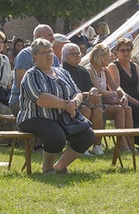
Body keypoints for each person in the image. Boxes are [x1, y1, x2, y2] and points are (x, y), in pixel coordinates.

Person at [16, 38, 95, 174]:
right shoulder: (31, 75)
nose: (48, 55)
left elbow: (77, 92)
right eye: (43, 53)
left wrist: (74, 103)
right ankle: (47, 167)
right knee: (56, 136)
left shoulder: (62, 72)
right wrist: (66, 105)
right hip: (35, 116)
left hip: (61, 117)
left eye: (50, 52)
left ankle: (60, 167)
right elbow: (41, 99)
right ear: (34, 57)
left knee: (87, 136)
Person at [87, 44, 133, 154]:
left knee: (125, 108)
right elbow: (98, 90)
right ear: (101, 57)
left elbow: (115, 85)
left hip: (104, 102)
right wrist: (113, 93)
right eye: (108, 56)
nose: (110, 58)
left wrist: (122, 95)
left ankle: (127, 141)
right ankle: (121, 142)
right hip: (94, 104)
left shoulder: (105, 70)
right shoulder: (89, 70)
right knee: (119, 109)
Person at [60, 42, 103, 154]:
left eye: (78, 53)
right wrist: (84, 94)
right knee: (85, 110)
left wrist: (93, 91)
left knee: (98, 110)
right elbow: (67, 91)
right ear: (65, 56)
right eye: (73, 54)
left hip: (85, 100)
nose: (77, 55)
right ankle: (80, 145)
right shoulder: (62, 70)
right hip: (69, 103)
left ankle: (97, 145)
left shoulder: (83, 70)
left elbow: (90, 86)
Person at [109, 38, 139, 148]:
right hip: (124, 99)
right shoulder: (113, 66)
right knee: (137, 109)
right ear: (117, 52)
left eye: (128, 50)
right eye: (122, 50)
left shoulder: (134, 66)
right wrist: (137, 102)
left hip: (137, 98)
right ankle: (131, 141)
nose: (126, 53)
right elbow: (117, 89)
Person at [9, 23, 56, 114]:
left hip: (49, 100)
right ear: (39, 37)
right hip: (22, 101)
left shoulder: (53, 57)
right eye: (50, 35)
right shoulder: (25, 55)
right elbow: (22, 85)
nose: (53, 38)